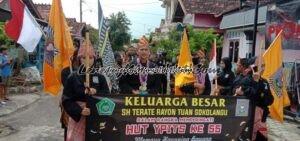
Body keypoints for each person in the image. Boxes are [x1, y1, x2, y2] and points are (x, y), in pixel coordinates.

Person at [62, 42, 110, 141]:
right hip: (78, 118)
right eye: (84, 57)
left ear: (94, 59)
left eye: (91, 58)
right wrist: (80, 111)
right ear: (79, 59)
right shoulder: (72, 77)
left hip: (95, 116)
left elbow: (107, 96)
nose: (88, 60)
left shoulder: (100, 77)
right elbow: (66, 99)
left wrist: (96, 92)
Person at [60, 48, 79, 141]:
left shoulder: (90, 73)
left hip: (86, 110)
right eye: (81, 57)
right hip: (70, 105)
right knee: (69, 130)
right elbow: (69, 90)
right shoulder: (66, 71)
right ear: (75, 58)